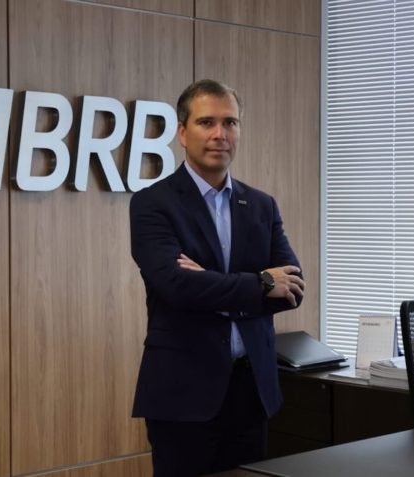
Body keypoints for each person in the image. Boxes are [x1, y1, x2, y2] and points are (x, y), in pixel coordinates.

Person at [129, 79, 305, 476]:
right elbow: (177, 287)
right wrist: (261, 282)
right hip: (183, 395)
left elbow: (293, 288)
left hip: (251, 392)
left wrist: (209, 283)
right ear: (182, 132)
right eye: (206, 122)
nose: (219, 134)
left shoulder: (260, 205)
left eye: (230, 123)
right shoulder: (153, 204)